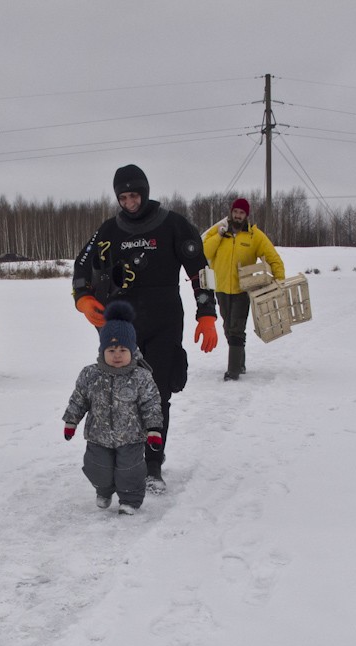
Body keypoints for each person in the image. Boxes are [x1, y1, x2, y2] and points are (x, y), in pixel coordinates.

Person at [72, 164, 218, 492]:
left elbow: (201, 270)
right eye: (122, 197)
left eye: (134, 195)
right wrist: (82, 298)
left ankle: (153, 464)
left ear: (145, 192)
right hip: (123, 324)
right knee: (120, 395)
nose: (129, 203)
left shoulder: (173, 225)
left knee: (158, 394)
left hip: (165, 320)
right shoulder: (109, 229)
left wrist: (206, 313)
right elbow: (82, 265)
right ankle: (122, 461)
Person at [63, 301, 164, 515]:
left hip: (131, 437)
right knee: (96, 467)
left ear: (132, 351)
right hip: (98, 436)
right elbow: (79, 399)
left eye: (122, 349)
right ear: (102, 351)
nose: (117, 355)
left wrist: (154, 429)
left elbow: (151, 403)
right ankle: (104, 490)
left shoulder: (141, 377)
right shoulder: (90, 374)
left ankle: (130, 499)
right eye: (111, 349)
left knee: (130, 471)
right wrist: (71, 421)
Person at [203, 198, 284, 381]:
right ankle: (240, 362)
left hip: (242, 290)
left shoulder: (254, 236)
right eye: (236, 212)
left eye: (242, 213)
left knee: (236, 329)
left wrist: (279, 281)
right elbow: (205, 252)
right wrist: (219, 235)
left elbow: (273, 258)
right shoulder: (218, 231)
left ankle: (233, 371)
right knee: (227, 327)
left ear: (246, 215)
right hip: (221, 288)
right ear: (231, 212)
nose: (238, 215)